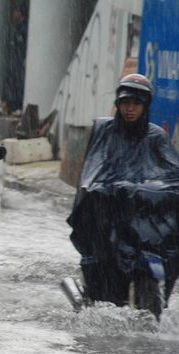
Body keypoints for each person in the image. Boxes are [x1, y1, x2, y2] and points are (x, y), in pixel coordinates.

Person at [66, 73, 179, 307]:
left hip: (143, 222)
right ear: (118, 104)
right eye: (125, 103)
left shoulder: (156, 137)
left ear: (145, 106)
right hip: (109, 217)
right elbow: (92, 172)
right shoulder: (104, 132)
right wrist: (106, 190)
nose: (130, 109)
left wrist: (143, 191)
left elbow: (172, 176)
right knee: (102, 279)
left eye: (136, 103)